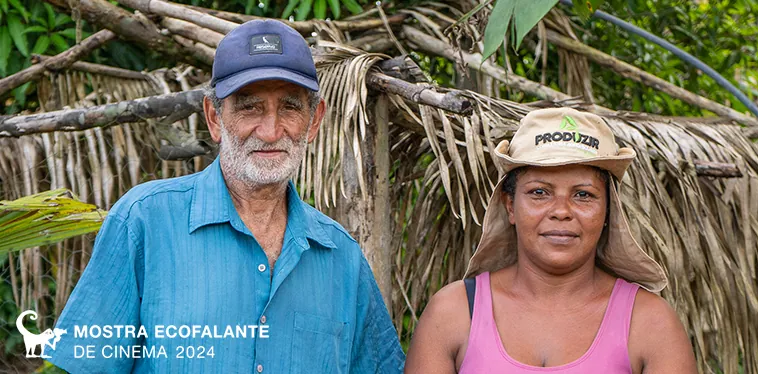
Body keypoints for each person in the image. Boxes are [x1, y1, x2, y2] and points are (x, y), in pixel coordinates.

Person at [46, 19, 404, 373]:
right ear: (214, 118)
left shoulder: (341, 257)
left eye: (290, 107)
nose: (270, 130)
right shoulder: (143, 221)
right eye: (250, 107)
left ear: (313, 121)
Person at [404, 108, 697, 373]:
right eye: (539, 192)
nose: (561, 211)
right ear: (510, 206)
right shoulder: (452, 314)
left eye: (583, 194)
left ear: (609, 210)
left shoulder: (649, 323)